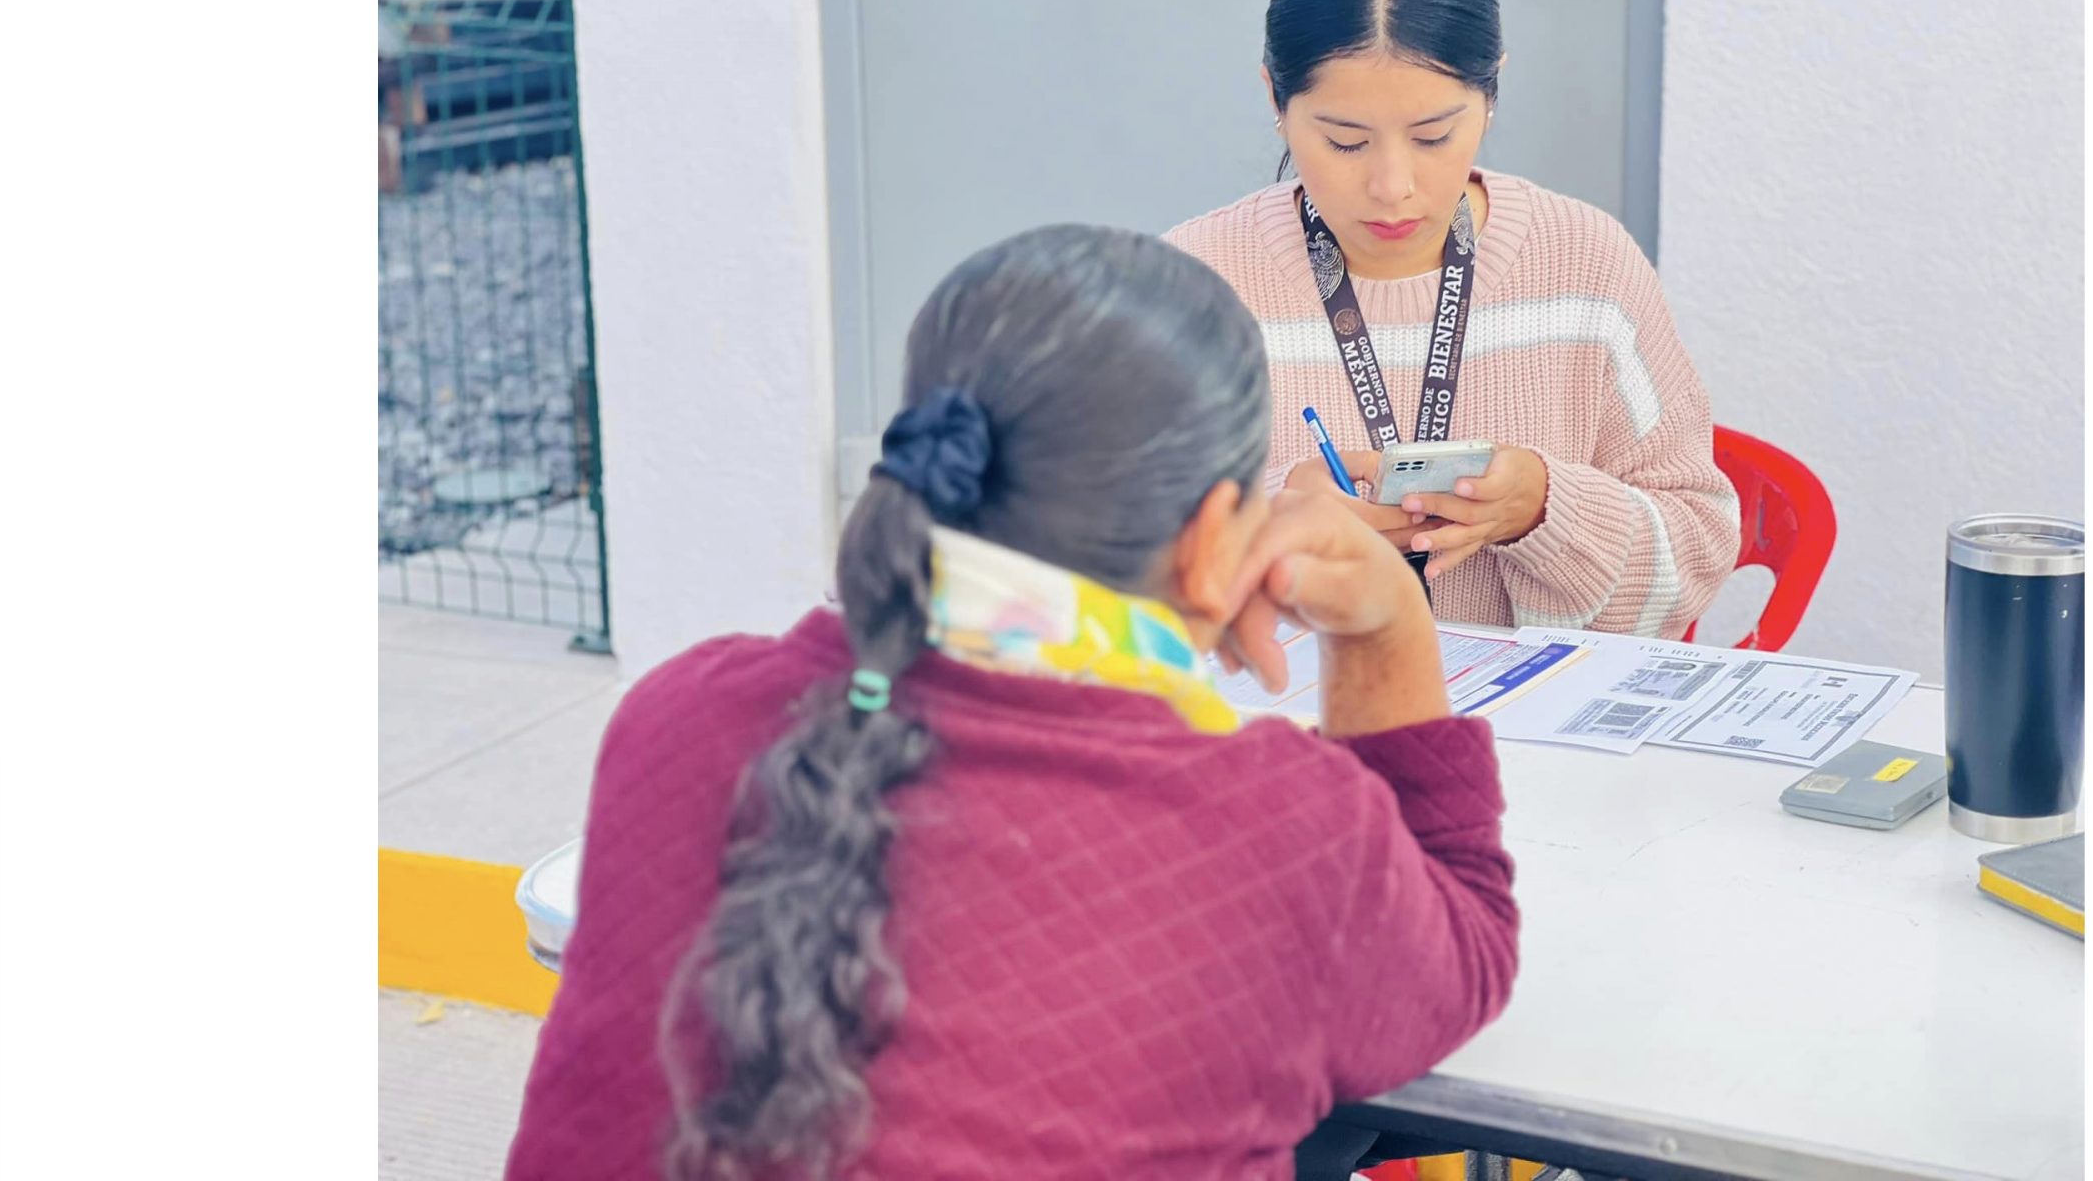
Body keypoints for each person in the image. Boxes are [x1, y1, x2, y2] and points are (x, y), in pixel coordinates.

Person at [503, 226, 1517, 1180]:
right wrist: (1385, 622)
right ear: (1217, 537)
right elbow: (1462, 952)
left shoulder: (678, 711)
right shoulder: (1279, 828)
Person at [1167, 0, 1742, 640]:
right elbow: (1086, 574)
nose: (1392, 186)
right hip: (1282, 737)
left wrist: (1544, 508)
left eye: (1435, 136)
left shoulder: (1586, 265)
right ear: (1276, 101)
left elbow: (1700, 550)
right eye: (1345, 141)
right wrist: (1259, 529)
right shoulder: (1188, 292)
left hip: (1539, 738)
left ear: (1492, 91)